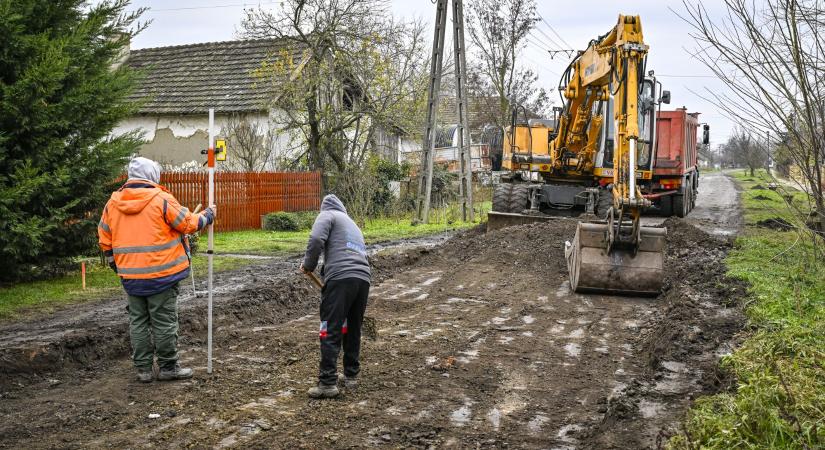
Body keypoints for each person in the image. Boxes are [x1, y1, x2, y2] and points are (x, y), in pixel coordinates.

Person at [98, 157, 215, 383]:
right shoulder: (161, 199)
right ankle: (168, 367)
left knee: (138, 321)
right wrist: (208, 216)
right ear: (152, 175)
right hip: (163, 276)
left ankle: (143, 370)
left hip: (131, 277)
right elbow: (188, 224)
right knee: (164, 321)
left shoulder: (112, 203)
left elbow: (105, 239)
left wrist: (118, 266)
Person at [300, 194, 371, 399]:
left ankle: (328, 382)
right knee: (352, 328)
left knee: (330, 327)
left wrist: (309, 265)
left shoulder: (327, 214)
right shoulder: (352, 224)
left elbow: (315, 239)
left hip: (341, 278)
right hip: (363, 279)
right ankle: (351, 375)